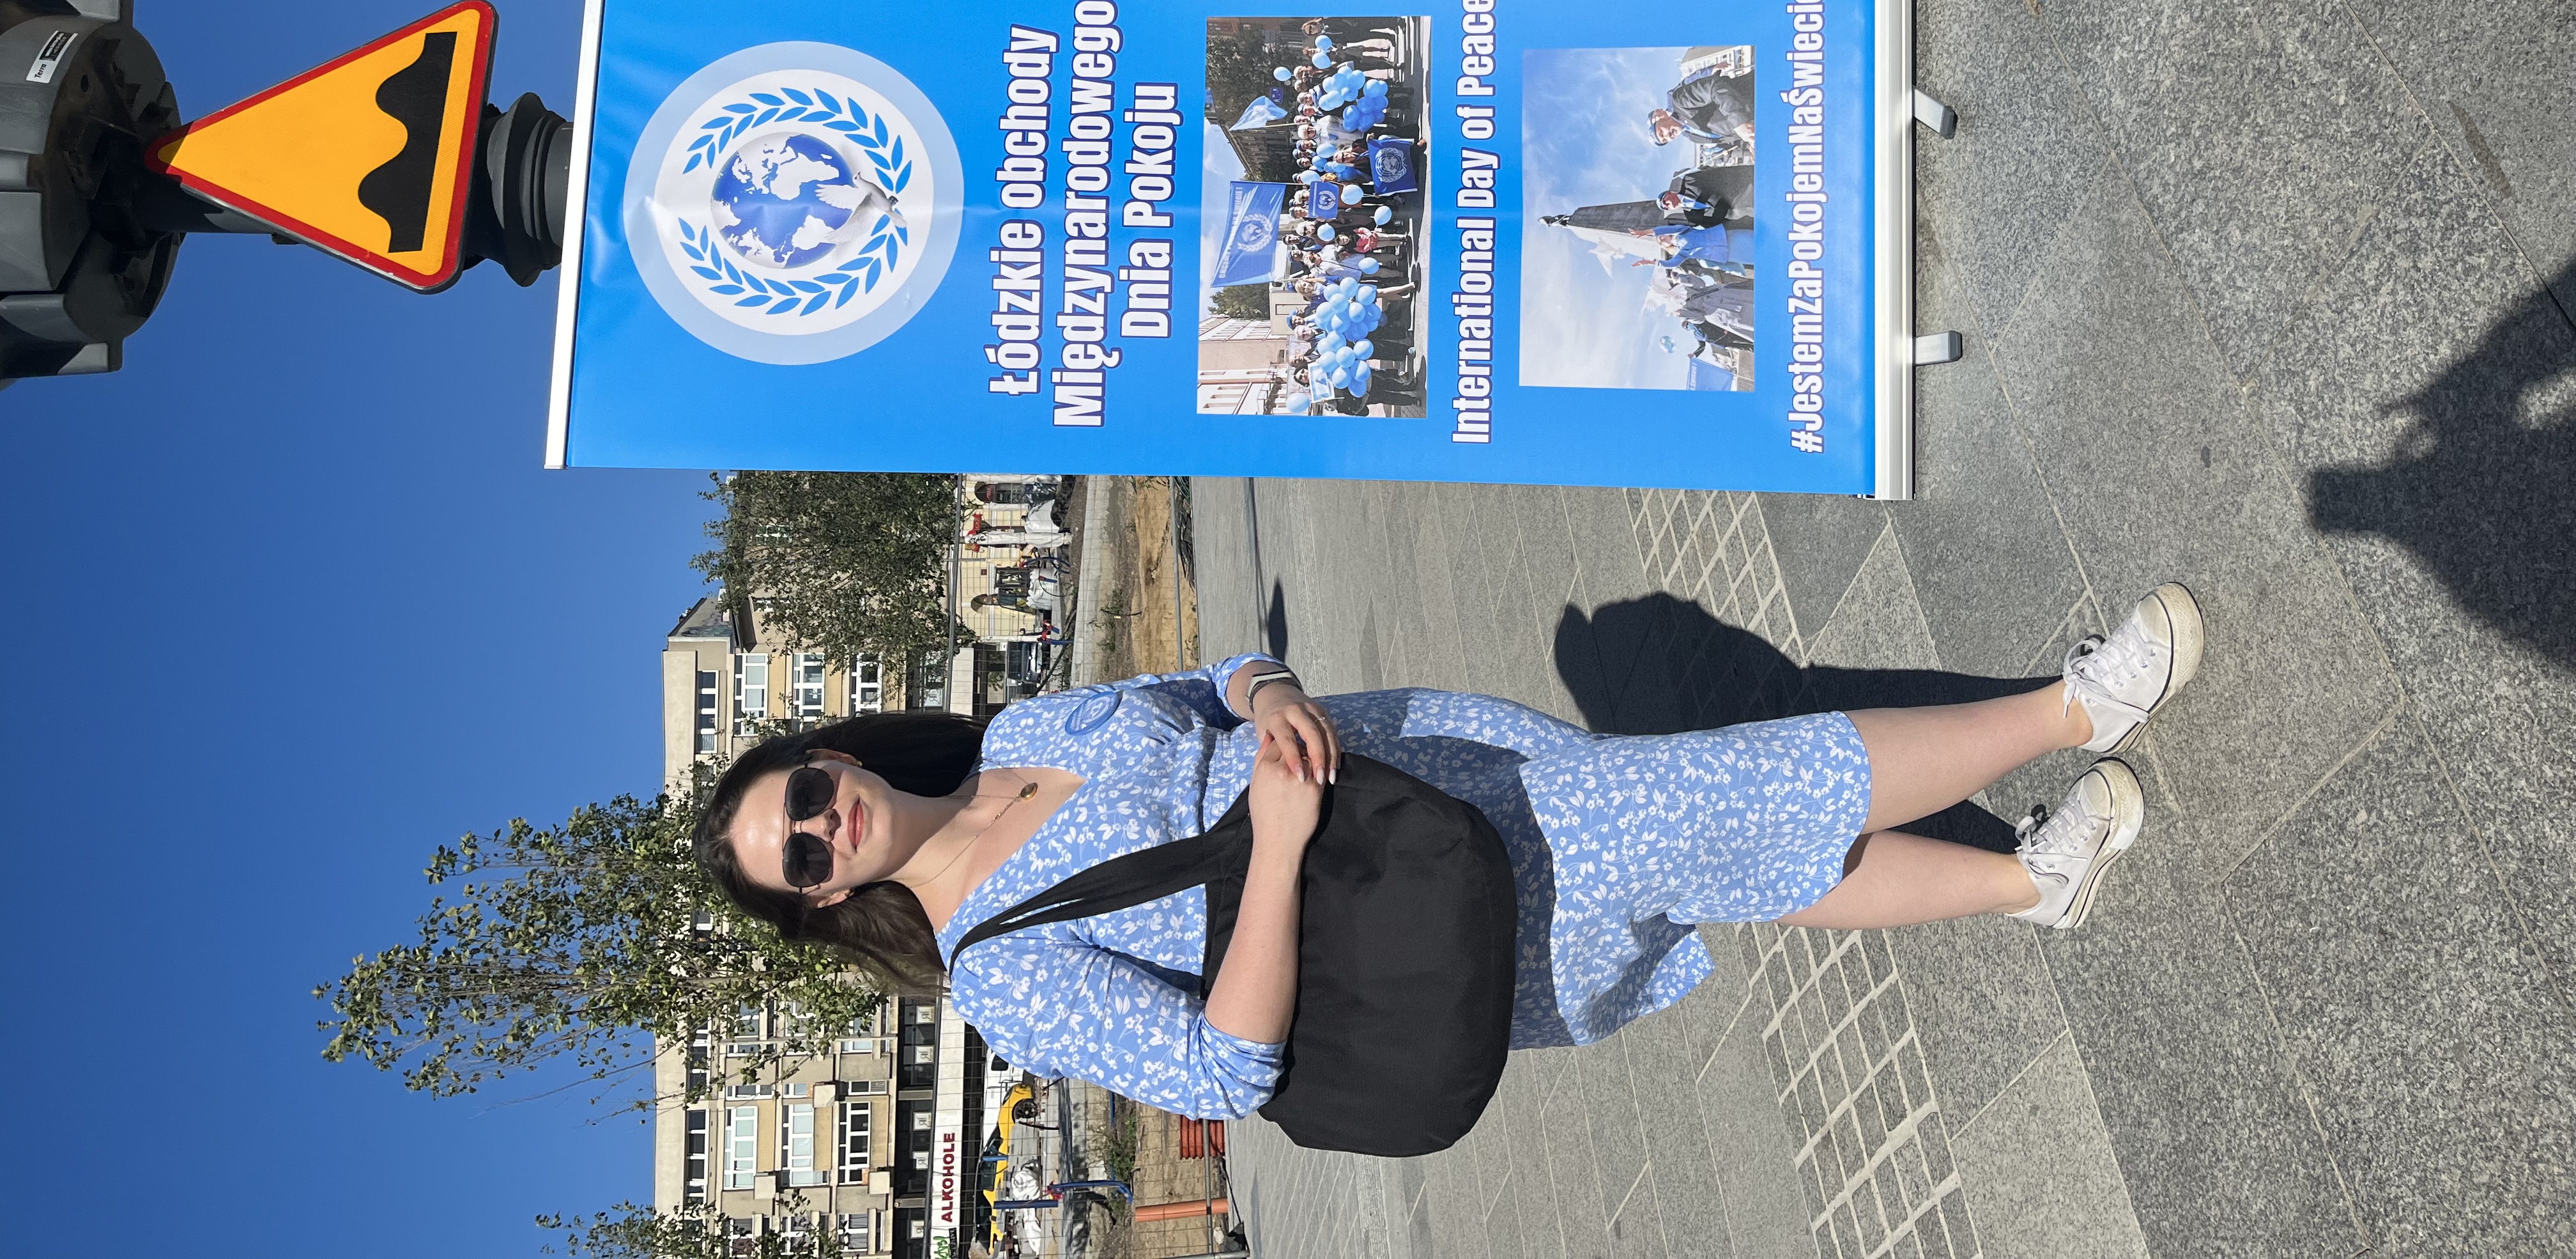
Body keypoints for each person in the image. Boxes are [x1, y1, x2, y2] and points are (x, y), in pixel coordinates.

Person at [694, 590, 2205, 1120]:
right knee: (1744, 790)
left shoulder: (1023, 720)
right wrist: (1275, 848)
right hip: (1406, 903)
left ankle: (2029, 882)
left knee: (1738, 854)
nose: (827, 825)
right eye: (804, 860)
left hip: (1430, 772)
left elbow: (1204, 682)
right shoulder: (999, 979)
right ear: (827, 907)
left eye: (806, 794)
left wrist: (1269, 692)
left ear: (837, 753)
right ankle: (2075, 701)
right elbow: (1229, 1075)